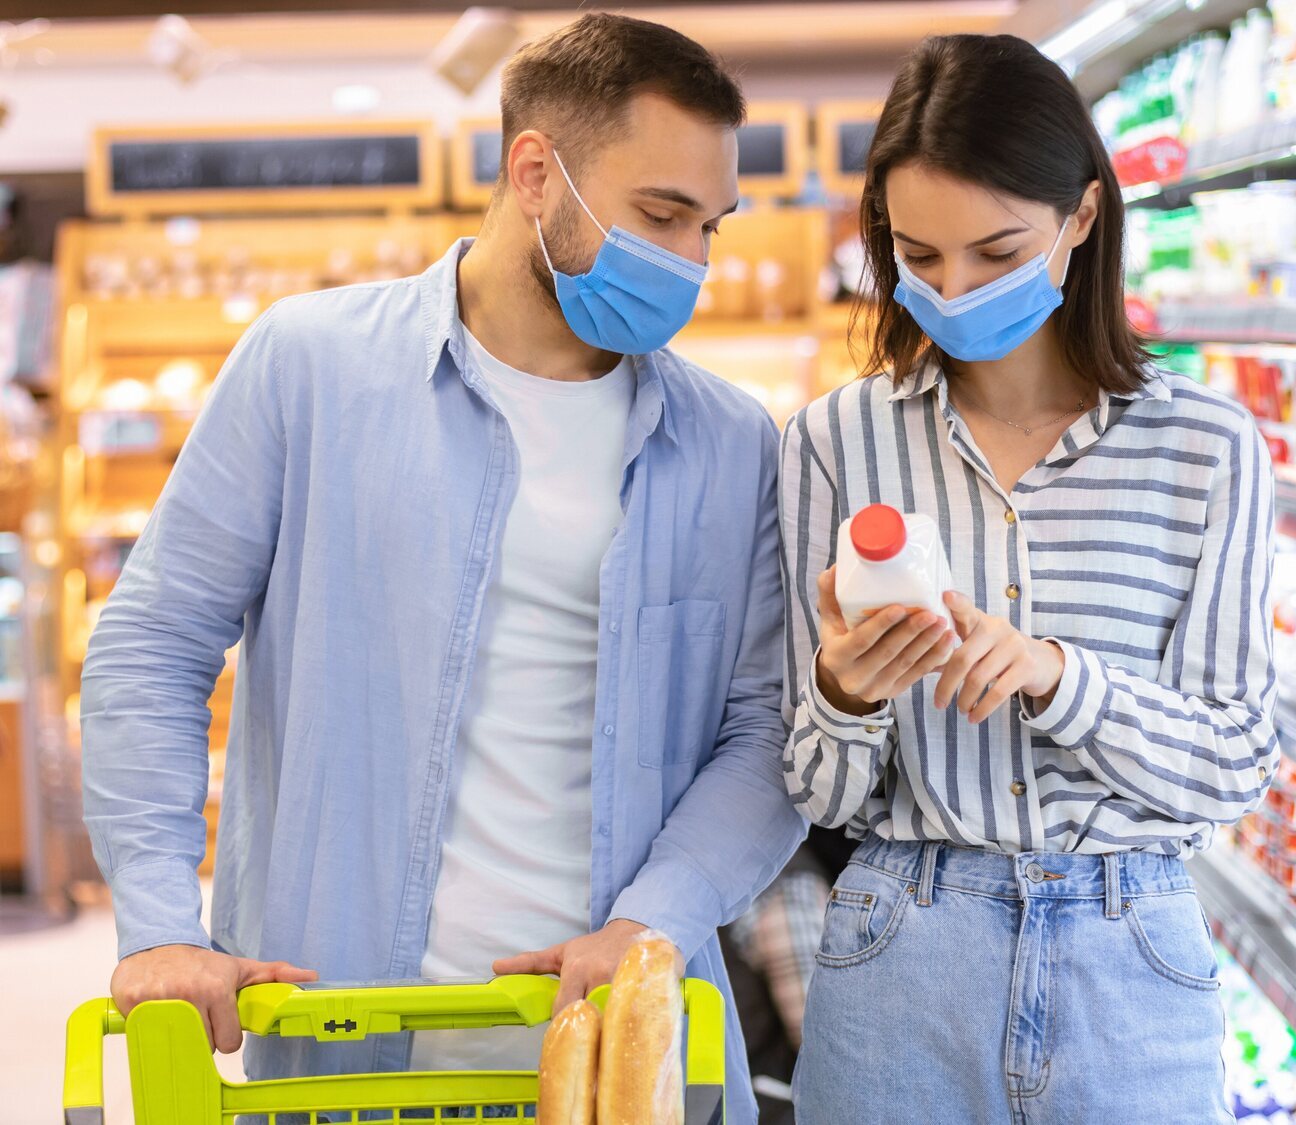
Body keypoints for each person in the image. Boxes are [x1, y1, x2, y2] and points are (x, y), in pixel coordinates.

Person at [82, 14, 804, 1121]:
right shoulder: (309, 366)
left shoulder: (730, 441)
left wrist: (653, 919)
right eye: (662, 216)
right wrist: (161, 924)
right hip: (344, 1040)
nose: (693, 262)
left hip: (630, 1058)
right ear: (534, 172)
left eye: (712, 225)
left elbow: (764, 732)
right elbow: (154, 644)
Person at [779, 33, 1276, 1124]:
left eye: (998, 253)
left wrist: (1061, 679)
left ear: (1083, 219)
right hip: (902, 944)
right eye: (921, 255)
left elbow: (1235, 764)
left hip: (1129, 956)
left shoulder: (1207, 449)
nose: (954, 290)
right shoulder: (833, 442)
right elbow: (816, 792)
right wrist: (848, 694)